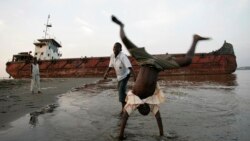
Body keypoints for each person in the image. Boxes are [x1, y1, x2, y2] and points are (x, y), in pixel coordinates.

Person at [111, 15, 210, 140]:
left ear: (140, 106)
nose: (146, 106)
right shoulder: (152, 101)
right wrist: (162, 135)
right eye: (148, 108)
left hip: (145, 60)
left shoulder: (133, 99)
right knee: (187, 61)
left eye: (144, 108)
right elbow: (158, 118)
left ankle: (121, 26)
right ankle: (195, 39)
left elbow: (125, 117)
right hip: (158, 64)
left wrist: (120, 136)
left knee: (124, 40)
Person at [104, 42, 136, 115]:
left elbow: (130, 67)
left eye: (116, 48)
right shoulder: (112, 56)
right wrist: (106, 73)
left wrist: (135, 77)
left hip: (126, 75)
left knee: (121, 90)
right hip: (119, 76)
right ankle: (129, 101)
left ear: (120, 49)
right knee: (121, 90)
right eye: (114, 47)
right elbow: (110, 66)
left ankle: (124, 109)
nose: (115, 49)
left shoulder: (123, 56)